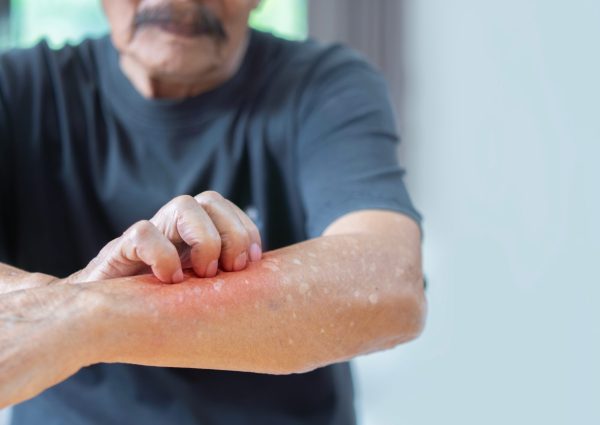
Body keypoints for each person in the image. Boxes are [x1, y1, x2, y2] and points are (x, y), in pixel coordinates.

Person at [0, 1, 426, 424]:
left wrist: (90, 316)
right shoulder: (15, 86)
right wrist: (79, 304)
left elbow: (388, 282)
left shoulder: (326, 84)